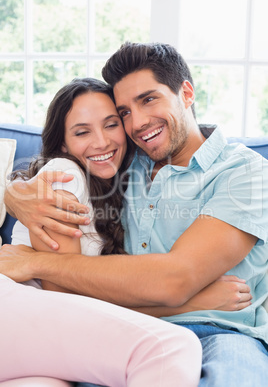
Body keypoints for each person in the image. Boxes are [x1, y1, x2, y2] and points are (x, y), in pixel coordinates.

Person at [2, 42, 268, 386]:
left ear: (186, 92)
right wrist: (14, 194)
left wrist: (35, 262)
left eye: (149, 99)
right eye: (125, 112)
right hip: (127, 330)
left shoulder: (245, 173)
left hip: (224, 332)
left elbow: (175, 280)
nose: (138, 123)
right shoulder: (124, 161)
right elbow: (65, 166)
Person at [0, 77, 204, 386]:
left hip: (31, 336)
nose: (102, 142)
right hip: (19, 309)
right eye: (82, 132)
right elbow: (62, 293)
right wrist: (194, 303)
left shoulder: (122, 184)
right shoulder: (65, 174)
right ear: (63, 143)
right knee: (171, 349)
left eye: (111, 125)